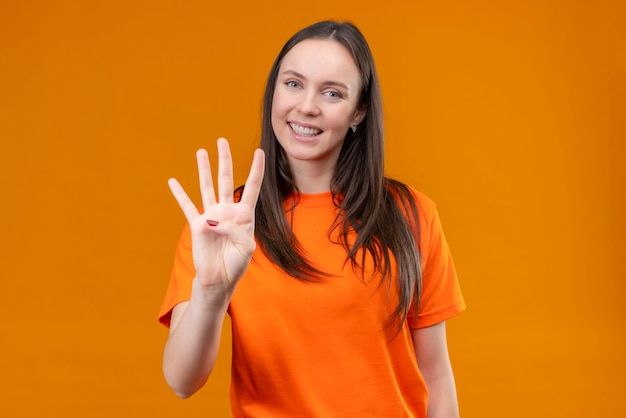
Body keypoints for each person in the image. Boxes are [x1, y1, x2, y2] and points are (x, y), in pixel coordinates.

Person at [159, 20, 465, 417]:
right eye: (293, 84)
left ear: (359, 111)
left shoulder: (413, 215)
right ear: (274, 93)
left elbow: (436, 374)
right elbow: (182, 382)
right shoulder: (222, 227)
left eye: (332, 92)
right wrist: (211, 293)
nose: (307, 106)